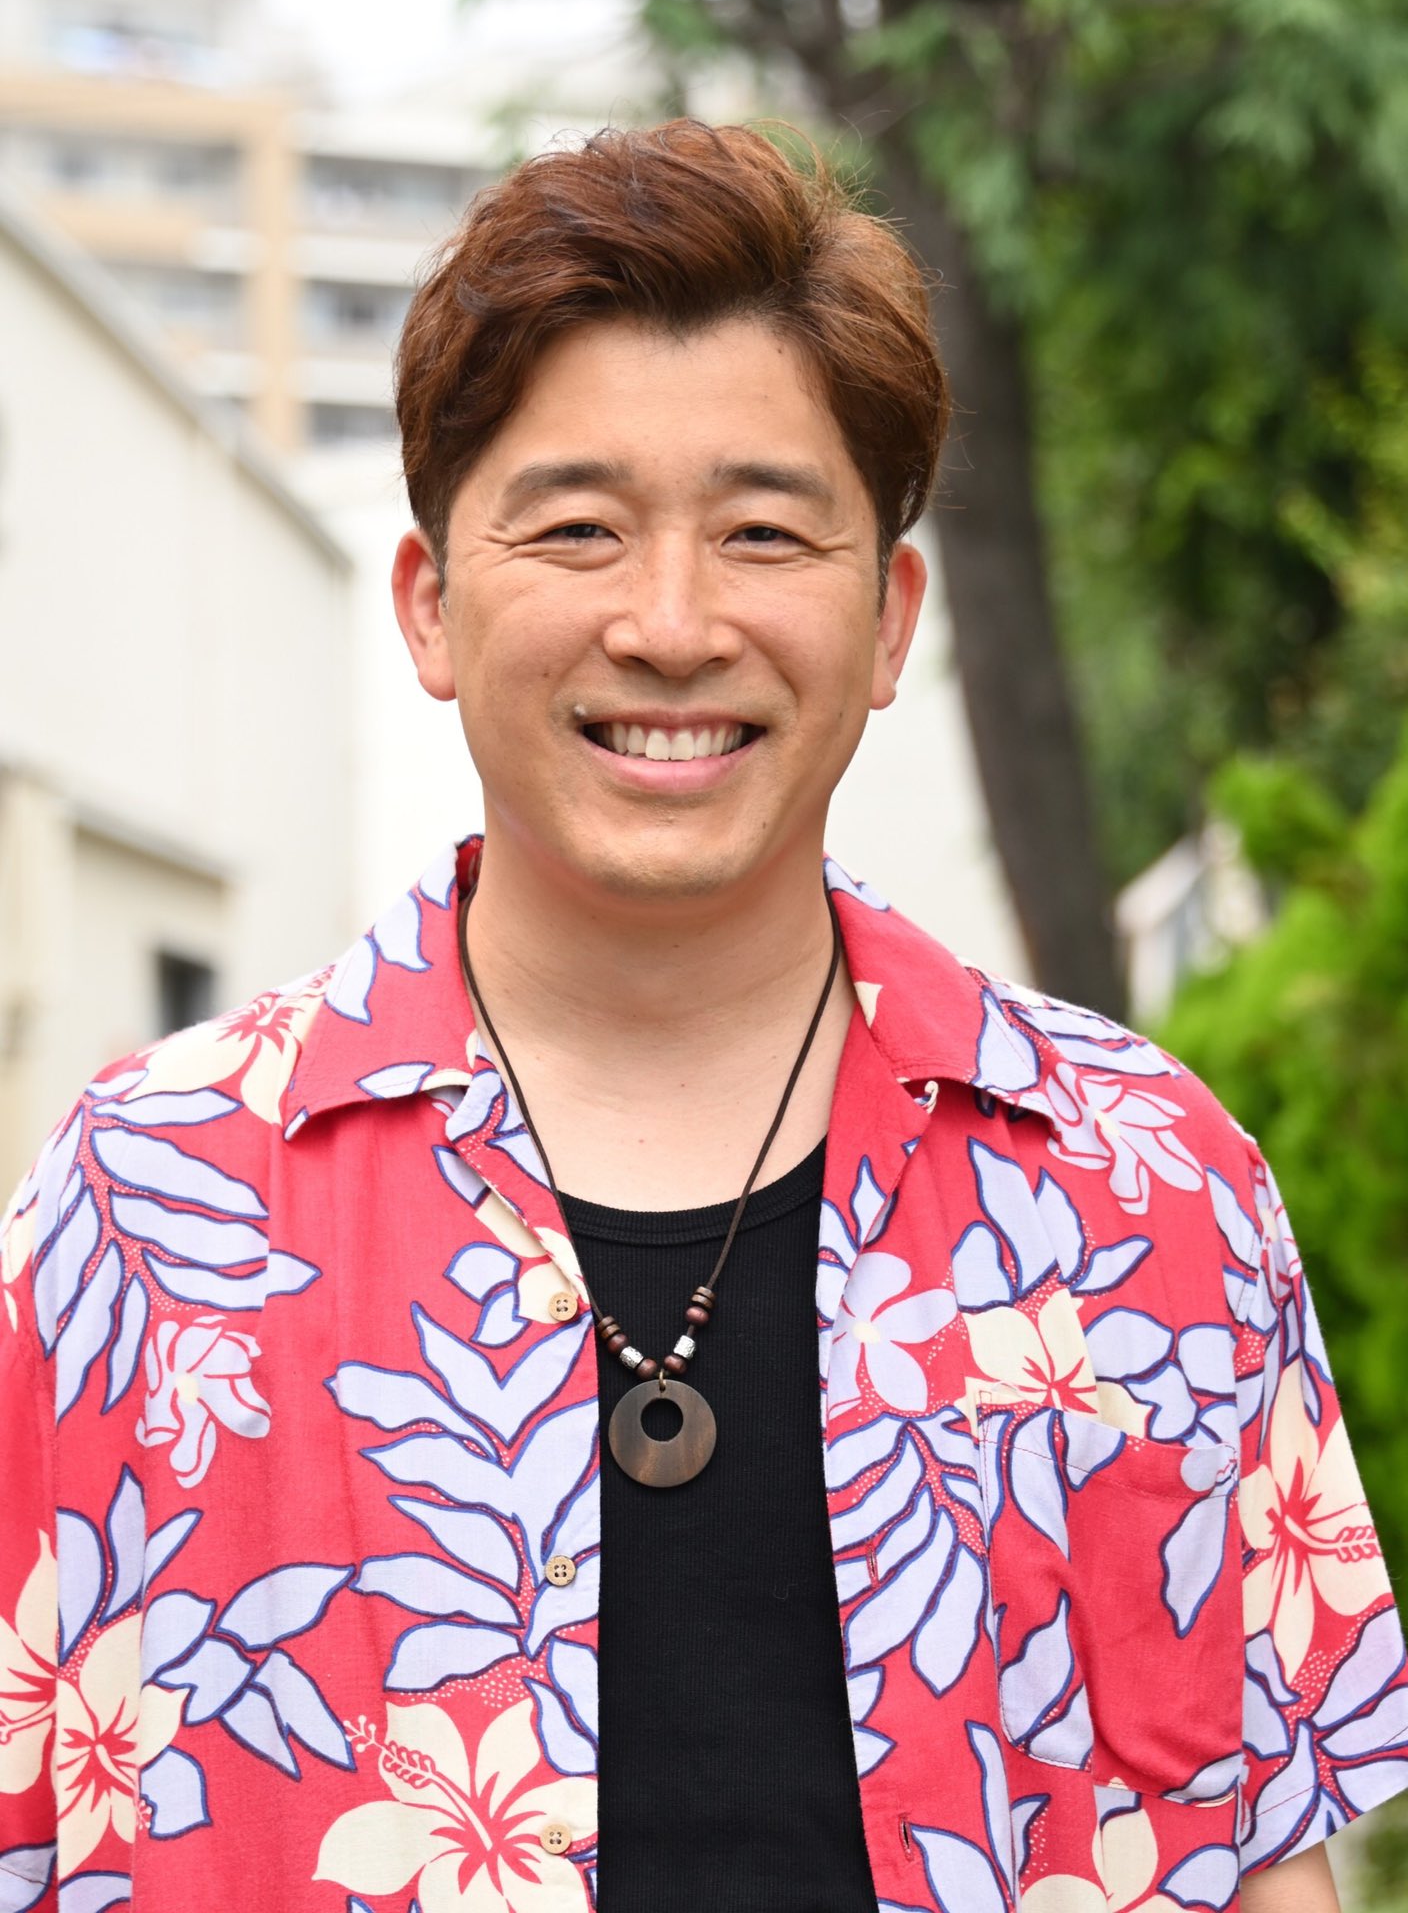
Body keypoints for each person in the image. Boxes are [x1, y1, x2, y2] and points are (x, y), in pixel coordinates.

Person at [1, 120, 1403, 1913]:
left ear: (888, 620)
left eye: (762, 533)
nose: (671, 626)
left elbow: (1265, 1864)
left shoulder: (1149, 1191)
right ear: (432, 606)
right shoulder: (148, 1206)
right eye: (578, 529)